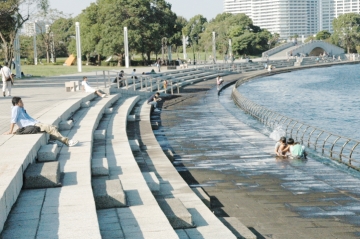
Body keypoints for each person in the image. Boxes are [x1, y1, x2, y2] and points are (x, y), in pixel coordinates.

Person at [3, 97, 79, 146]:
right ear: (17, 103)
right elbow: (13, 120)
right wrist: (10, 131)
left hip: (34, 123)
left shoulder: (21, 108)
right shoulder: (16, 108)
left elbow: (28, 118)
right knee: (50, 128)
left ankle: (52, 140)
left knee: (53, 127)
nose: (22, 103)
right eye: (21, 102)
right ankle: (67, 142)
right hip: (29, 126)